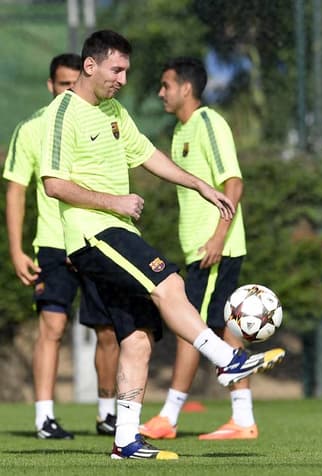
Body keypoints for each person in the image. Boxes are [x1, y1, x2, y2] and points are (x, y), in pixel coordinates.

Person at [39, 30, 285, 460]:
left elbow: (148, 155)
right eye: (117, 69)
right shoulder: (63, 113)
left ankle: (126, 441)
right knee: (168, 282)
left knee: (137, 337)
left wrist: (202, 186)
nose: (123, 78)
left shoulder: (114, 110)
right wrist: (114, 201)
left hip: (117, 233)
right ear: (91, 66)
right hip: (92, 234)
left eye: (127, 71)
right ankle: (227, 359)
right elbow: (54, 184)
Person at [3, 53, 119, 439]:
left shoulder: (102, 119)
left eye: (75, 82)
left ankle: (108, 415)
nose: (70, 89)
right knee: (51, 326)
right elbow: (17, 190)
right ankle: (44, 418)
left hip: (95, 237)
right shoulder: (32, 127)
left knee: (107, 328)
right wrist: (17, 249)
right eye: (63, 83)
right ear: (50, 86)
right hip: (53, 243)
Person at [140, 57, 256, 441]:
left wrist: (218, 238)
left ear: (185, 88)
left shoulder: (209, 123)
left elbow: (233, 183)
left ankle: (169, 417)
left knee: (191, 329)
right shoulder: (180, 131)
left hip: (215, 249)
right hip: (202, 249)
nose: (161, 93)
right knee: (221, 328)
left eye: (166, 85)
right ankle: (242, 418)